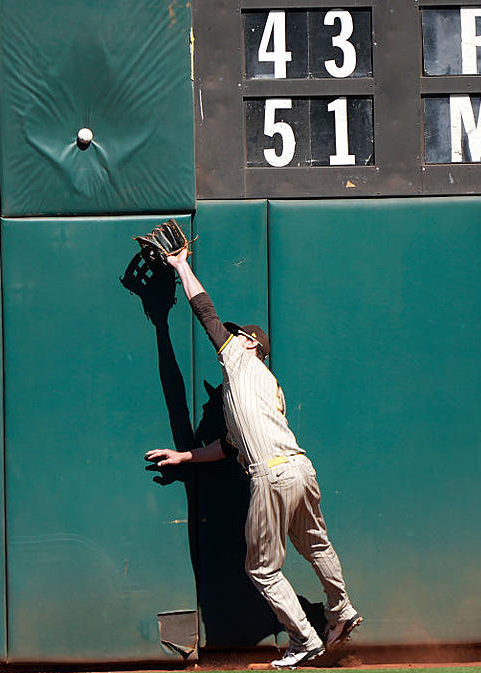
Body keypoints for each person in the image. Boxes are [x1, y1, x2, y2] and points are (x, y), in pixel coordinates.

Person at [145, 249, 362, 669]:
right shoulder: (261, 387)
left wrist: (180, 265)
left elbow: (207, 314)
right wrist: (184, 456)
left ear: (250, 344)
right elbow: (227, 448)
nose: (230, 337)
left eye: (238, 335)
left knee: (262, 569)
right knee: (316, 546)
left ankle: (304, 639)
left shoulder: (242, 359)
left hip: (272, 476)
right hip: (300, 468)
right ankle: (342, 611)